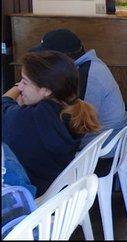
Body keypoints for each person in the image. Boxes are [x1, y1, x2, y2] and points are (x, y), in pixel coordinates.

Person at [2, 51, 100, 195]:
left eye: (25, 82)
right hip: (56, 191)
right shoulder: (68, 111)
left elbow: (3, 105)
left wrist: (15, 89)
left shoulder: (33, 119)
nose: (21, 87)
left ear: (47, 90)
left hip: (33, 196)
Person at [30, 29, 127, 156]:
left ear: (62, 58)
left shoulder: (87, 76)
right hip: (104, 139)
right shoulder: (89, 66)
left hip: (99, 150)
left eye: (48, 59)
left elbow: (77, 124)